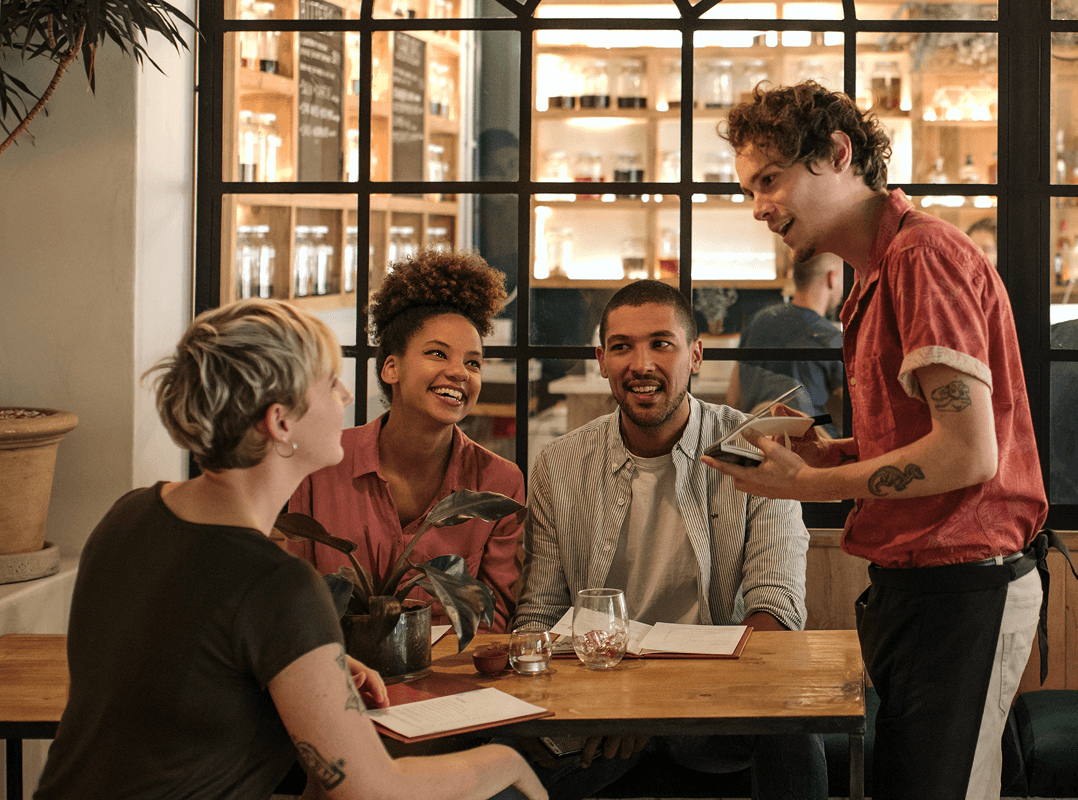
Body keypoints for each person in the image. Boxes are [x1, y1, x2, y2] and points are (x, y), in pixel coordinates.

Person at [33, 299, 545, 800]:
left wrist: (307, 664)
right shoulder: (279, 585)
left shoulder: (130, 513)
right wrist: (508, 762)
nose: (345, 397)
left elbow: (185, 668)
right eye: (328, 383)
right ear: (281, 423)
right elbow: (374, 790)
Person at [710, 80, 1052, 800]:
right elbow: (927, 440)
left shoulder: (920, 258)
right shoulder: (876, 274)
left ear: (837, 153)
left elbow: (968, 454)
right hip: (923, 591)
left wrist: (810, 486)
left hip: (963, 588)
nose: (759, 206)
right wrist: (826, 454)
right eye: (749, 188)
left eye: (769, 180)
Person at [512, 280, 826, 800]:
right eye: (622, 347)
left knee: (795, 730)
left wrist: (656, 701)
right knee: (504, 763)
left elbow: (777, 610)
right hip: (601, 703)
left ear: (695, 355)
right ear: (601, 360)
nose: (641, 363)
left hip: (720, 704)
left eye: (661, 343)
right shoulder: (559, 464)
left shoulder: (755, 450)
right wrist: (613, 699)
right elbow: (538, 618)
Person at [288, 249, 524, 632]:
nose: (459, 373)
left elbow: (490, 622)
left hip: (450, 681)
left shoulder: (498, 483)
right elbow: (296, 601)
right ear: (391, 367)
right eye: (437, 354)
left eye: (473, 362)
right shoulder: (321, 463)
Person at [726, 252, 844, 436]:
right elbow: (856, 409)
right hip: (813, 449)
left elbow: (733, 398)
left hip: (758, 443)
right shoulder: (830, 337)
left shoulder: (757, 321)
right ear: (832, 278)